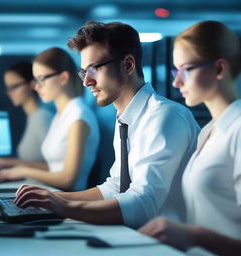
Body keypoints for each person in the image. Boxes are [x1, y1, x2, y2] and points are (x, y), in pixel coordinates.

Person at [13, 21, 200, 228]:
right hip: (147, 236)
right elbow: (115, 187)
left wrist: (63, 207)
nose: (86, 82)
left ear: (128, 65)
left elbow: (144, 203)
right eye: (84, 72)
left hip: (176, 245)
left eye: (94, 69)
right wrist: (52, 198)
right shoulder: (125, 118)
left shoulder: (165, 116)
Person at [139, 21, 241, 256]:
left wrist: (194, 236)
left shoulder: (237, 129)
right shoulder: (209, 130)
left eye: (186, 69)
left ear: (219, 69)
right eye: (176, 71)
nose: (176, 82)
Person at [0, 47, 100, 191]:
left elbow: (68, 180)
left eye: (42, 79)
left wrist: (23, 170)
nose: (37, 87)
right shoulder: (61, 115)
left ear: (63, 78)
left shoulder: (78, 116)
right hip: (53, 196)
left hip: (67, 204)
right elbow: (53, 168)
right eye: (35, 80)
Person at [0, 61, 53, 169]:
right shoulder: (32, 117)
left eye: (14, 86)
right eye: (8, 88)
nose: (9, 93)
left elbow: (54, 167)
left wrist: (10, 163)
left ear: (31, 84)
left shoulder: (42, 117)